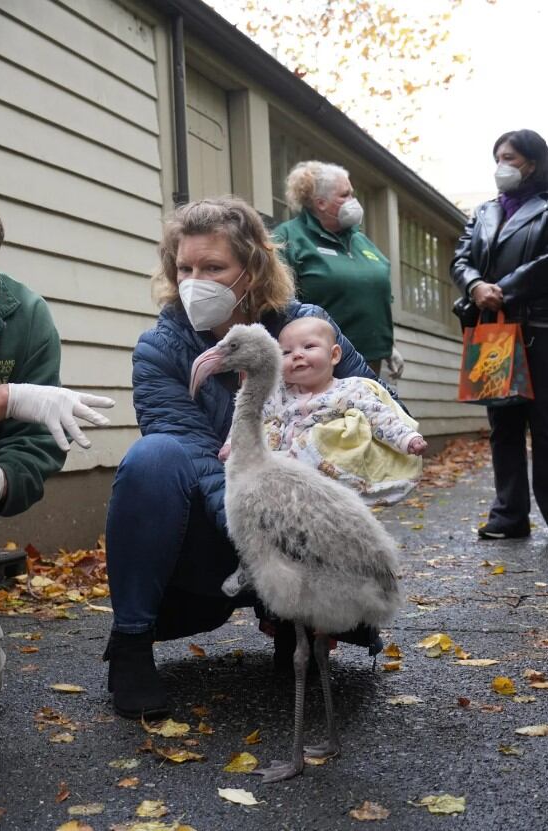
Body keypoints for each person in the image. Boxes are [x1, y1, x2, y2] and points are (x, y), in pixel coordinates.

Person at [104, 196, 408, 720]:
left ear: (253, 269)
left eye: (214, 267)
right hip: (218, 527)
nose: (194, 280)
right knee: (154, 457)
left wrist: (331, 447)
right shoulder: (161, 349)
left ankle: (298, 625)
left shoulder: (306, 331)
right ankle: (131, 646)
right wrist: (260, 545)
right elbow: (201, 460)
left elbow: (379, 406)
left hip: (301, 523)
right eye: (185, 268)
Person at [0, 202, 114, 705]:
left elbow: (36, 443)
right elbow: (15, 406)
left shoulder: (26, 314)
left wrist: (0, 478)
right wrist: (6, 397)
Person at [220, 316, 426, 598]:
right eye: (287, 352)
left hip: (324, 480)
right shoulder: (276, 395)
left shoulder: (349, 390)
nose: (298, 355)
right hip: (282, 483)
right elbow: (247, 416)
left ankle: (352, 578)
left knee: (327, 534)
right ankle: (249, 566)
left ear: (334, 355)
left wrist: (406, 439)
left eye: (308, 346)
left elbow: (380, 416)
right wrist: (232, 444)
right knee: (261, 526)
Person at [450, 129, 548, 540]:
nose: (501, 166)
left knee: (544, 425)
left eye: (509, 157)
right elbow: (461, 257)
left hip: (540, 331)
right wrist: (475, 286)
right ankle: (509, 516)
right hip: (493, 332)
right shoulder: (484, 211)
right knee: (503, 424)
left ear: (533, 162)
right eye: (497, 157)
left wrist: (503, 287)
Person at [273, 160, 404, 379]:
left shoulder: (361, 241)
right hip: (322, 365)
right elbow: (277, 304)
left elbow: (377, 295)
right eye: (345, 195)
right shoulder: (288, 239)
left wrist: (388, 345)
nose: (354, 202)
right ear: (321, 203)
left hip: (371, 360)